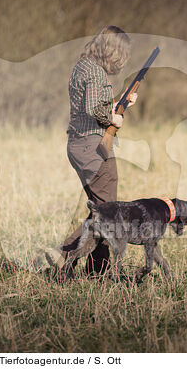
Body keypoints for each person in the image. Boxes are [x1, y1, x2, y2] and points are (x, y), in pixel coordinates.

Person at [46, 25, 137, 276]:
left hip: (77, 145)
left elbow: (94, 103)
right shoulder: (96, 73)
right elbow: (94, 109)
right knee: (107, 214)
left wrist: (121, 104)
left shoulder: (81, 67)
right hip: (94, 147)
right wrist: (114, 120)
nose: (123, 60)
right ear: (113, 50)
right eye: (122, 53)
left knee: (100, 208)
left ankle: (97, 269)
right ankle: (63, 254)